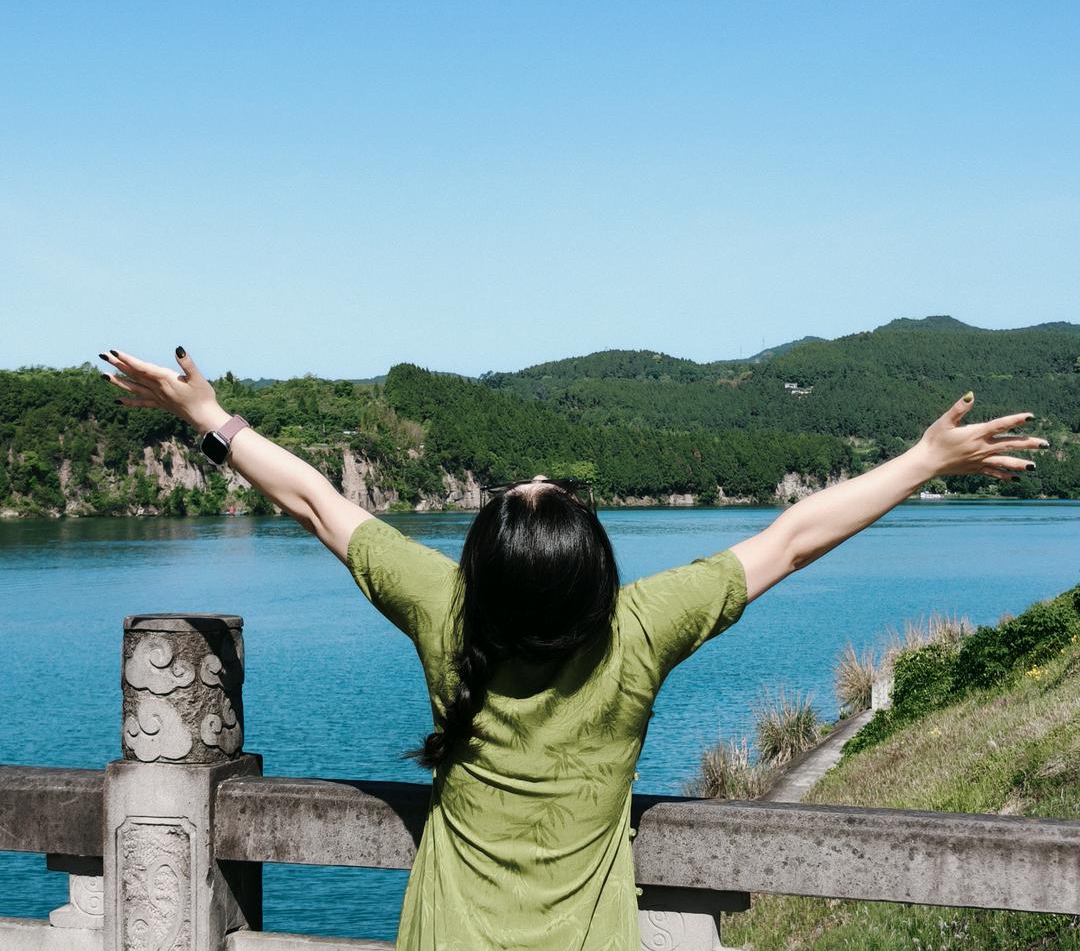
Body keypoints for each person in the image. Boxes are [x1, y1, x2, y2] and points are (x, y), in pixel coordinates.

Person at [98, 345, 1046, 951]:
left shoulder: (447, 612)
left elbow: (315, 502)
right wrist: (924, 461)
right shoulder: (639, 631)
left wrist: (207, 419)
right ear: (596, 569)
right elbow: (792, 538)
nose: (542, 471)